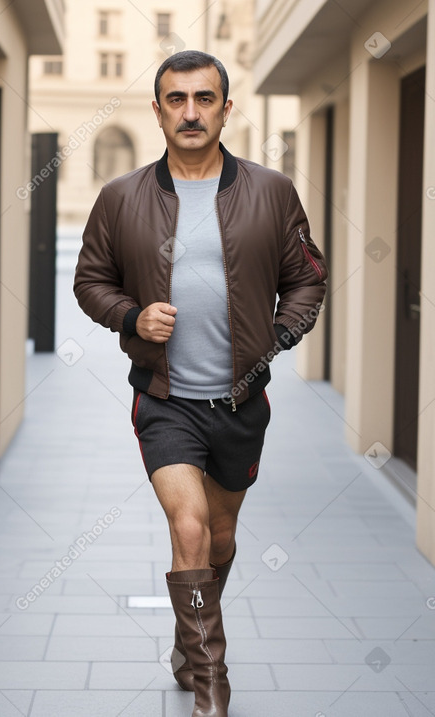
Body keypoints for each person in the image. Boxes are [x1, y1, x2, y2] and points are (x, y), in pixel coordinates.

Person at [74, 50, 327, 717]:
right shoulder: (122, 196)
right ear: (157, 110)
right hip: (165, 399)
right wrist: (131, 314)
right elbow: (89, 281)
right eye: (176, 99)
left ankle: (190, 643)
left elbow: (306, 276)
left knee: (219, 538)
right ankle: (211, 684)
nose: (190, 111)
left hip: (241, 401)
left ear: (225, 108)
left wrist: (275, 337)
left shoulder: (271, 191)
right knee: (187, 526)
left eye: (204, 98)